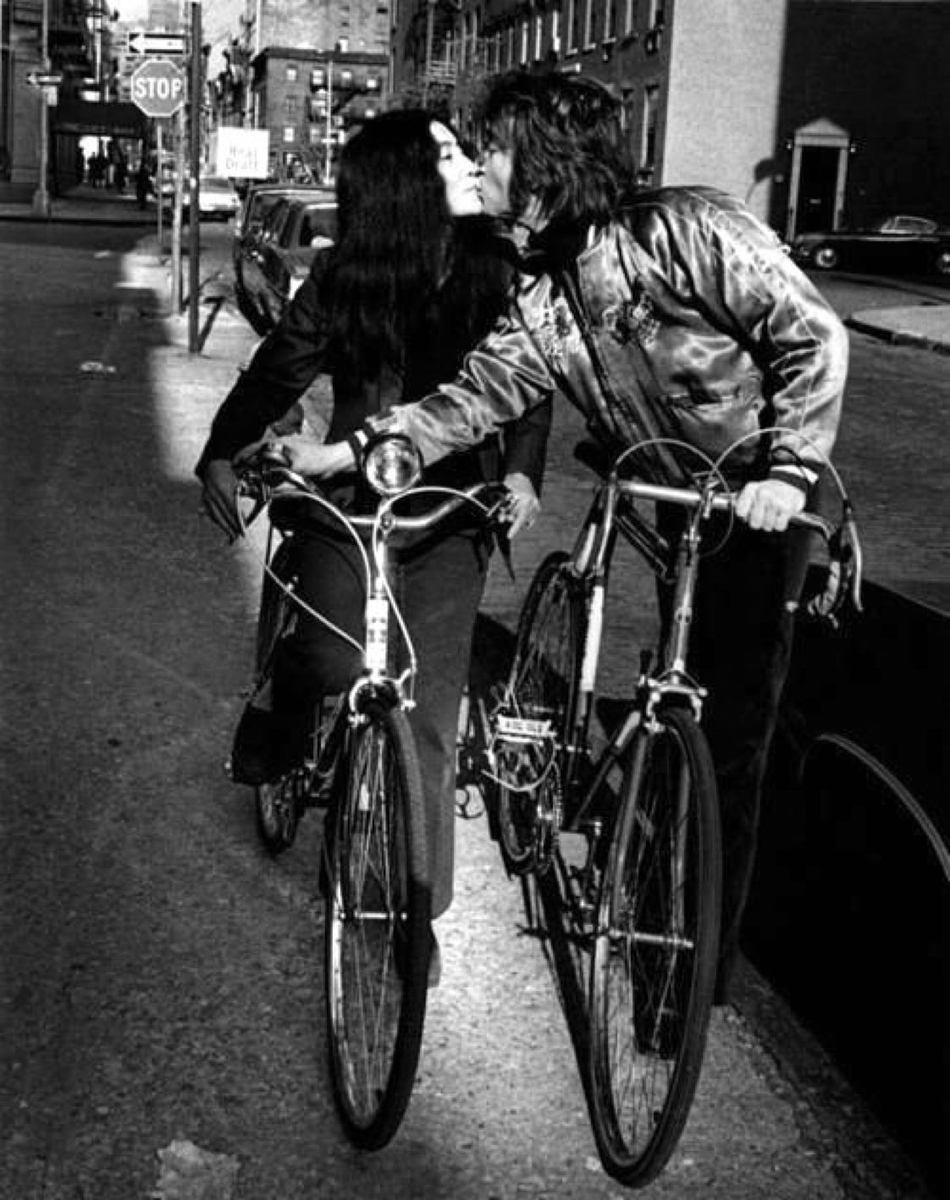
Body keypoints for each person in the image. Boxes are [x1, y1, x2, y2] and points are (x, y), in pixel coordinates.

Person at [274, 71, 850, 1005]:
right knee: (677, 684)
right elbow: (476, 395)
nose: (477, 164)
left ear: (537, 159)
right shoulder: (542, 288)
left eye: (489, 148)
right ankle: (640, 836)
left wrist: (785, 473)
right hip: (666, 483)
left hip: (761, 493)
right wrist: (352, 453)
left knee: (732, 731)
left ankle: (688, 977)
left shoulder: (685, 229)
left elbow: (813, 336)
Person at [197, 109, 551, 953]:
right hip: (343, 500)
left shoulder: (494, 271)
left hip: (447, 514)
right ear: (402, 184)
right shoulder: (341, 279)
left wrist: (524, 470)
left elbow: (530, 384)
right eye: (446, 154)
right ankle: (280, 715)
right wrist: (220, 448)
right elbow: (279, 367)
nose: (467, 162)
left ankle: (409, 910)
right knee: (326, 656)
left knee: (428, 716)